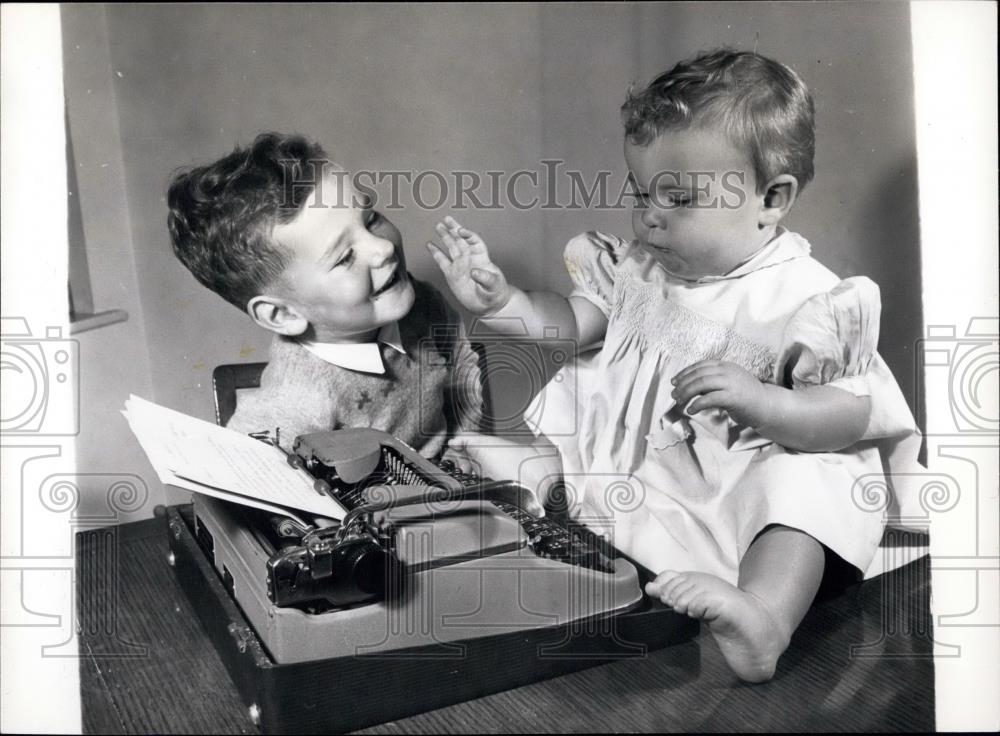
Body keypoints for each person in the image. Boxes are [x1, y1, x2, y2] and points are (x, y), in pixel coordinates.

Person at [428, 50, 923, 683]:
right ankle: (571, 520)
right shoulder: (642, 269)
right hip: (662, 468)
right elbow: (573, 325)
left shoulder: (805, 299)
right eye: (641, 192)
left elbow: (850, 415)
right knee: (574, 395)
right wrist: (504, 303)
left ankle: (765, 617)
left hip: (749, 470)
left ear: (771, 199)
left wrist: (764, 402)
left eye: (679, 198)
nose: (650, 216)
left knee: (812, 480)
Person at [167, 132, 484, 466]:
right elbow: (243, 476)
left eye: (371, 219)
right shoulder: (296, 396)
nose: (383, 249)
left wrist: (461, 448)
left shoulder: (422, 304)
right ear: (281, 314)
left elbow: (462, 367)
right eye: (345, 257)